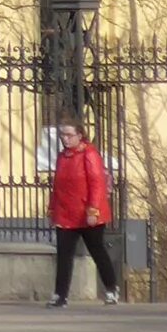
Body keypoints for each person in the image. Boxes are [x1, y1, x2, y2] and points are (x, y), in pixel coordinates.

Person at [47, 119, 123, 307]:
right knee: (64, 255)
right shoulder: (62, 157)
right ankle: (60, 295)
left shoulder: (89, 154)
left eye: (69, 135)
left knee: (97, 251)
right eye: (63, 135)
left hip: (87, 213)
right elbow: (57, 186)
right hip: (66, 214)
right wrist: (52, 209)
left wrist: (93, 210)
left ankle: (111, 288)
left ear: (80, 136)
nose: (65, 139)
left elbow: (96, 183)